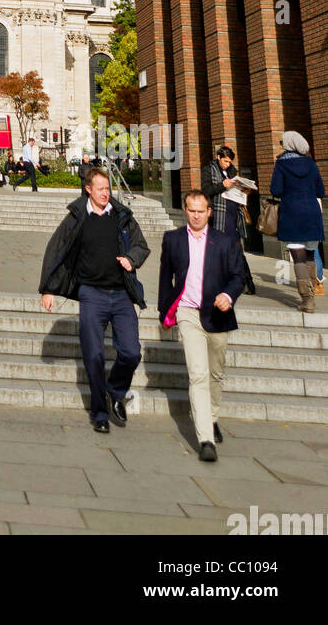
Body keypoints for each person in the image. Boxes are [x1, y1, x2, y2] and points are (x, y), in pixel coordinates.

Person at [39, 167, 149, 434]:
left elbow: (141, 245)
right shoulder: (77, 217)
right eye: (100, 189)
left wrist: (131, 260)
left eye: (108, 189)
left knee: (131, 352)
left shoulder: (122, 216)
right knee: (94, 355)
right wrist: (48, 289)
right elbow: (57, 250)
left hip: (121, 293)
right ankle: (99, 412)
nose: (105, 194)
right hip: (91, 294)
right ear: (88, 189)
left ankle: (115, 390)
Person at [158, 189, 245, 462]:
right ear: (185, 210)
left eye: (201, 211)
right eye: (191, 210)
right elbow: (165, 279)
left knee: (215, 375)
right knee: (198, 375)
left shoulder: (225, 241)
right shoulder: (172, 239)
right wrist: (164, 314)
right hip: (187, 313)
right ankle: (206, 438)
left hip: (218, 315)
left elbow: (238, 275)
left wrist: (228, 296)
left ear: (209, 211)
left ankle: (213, 416)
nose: (196, 216)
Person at [271, 131, 325, 314]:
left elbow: (276, 190)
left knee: (298, 257)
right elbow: (321, 190)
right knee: (310, 255)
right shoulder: (311, 164)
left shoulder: (281, 163)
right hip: (312, 213)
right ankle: (312, 296)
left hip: (292, 214)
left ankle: (307, 299)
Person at [201, 145, 255, 296]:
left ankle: (247, 283)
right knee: (216, 250)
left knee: (237, 250)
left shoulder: (232, 171)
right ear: (218, 157)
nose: (227, 164)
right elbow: (206, 190)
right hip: (218, 215)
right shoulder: (208, 170)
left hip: (232, 215)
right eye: (225, 161)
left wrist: (244, 191)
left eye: (229, 161)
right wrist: (222, 185)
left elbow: (237, 188)